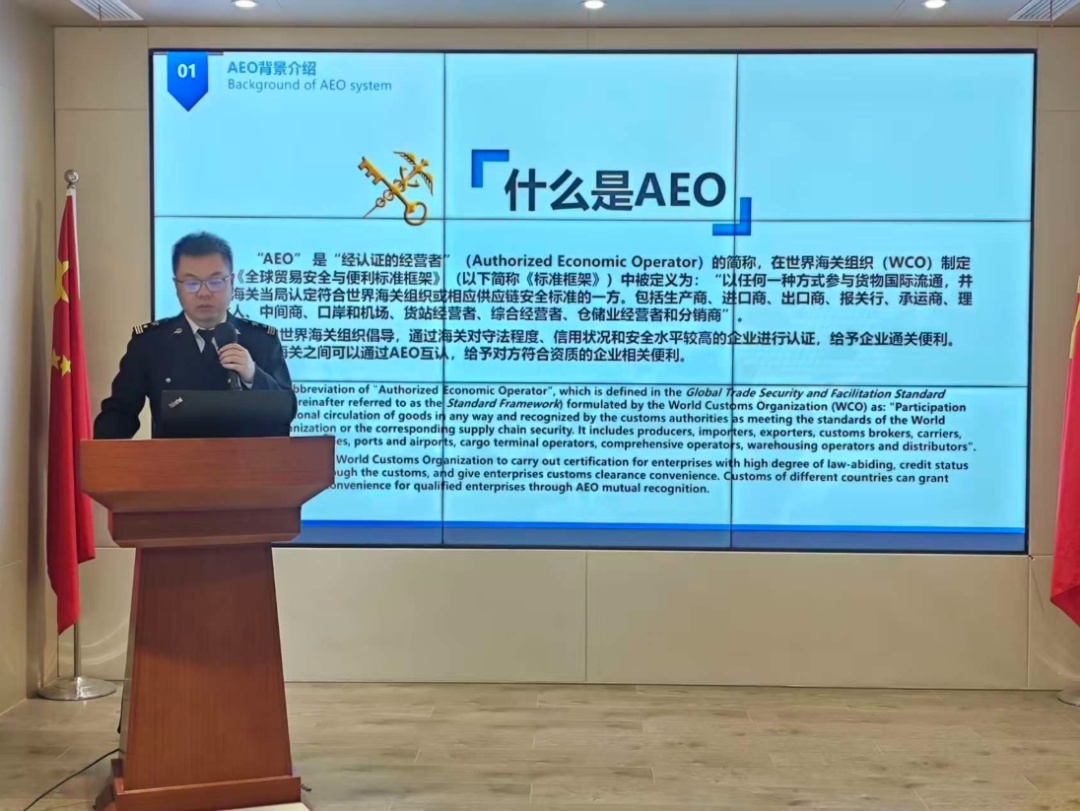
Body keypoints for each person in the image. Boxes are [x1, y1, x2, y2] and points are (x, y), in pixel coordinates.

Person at [93, 232, 294, 439]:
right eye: (192, 283)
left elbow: (286, 412)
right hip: (174, 459)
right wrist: (100, 452)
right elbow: (120, 414)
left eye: (215, 281)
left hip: (245, 459)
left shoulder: (261, 340)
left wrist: (252, 375)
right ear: (177, 286)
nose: (204, 293)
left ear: (232, 282)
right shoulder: (151, 343)